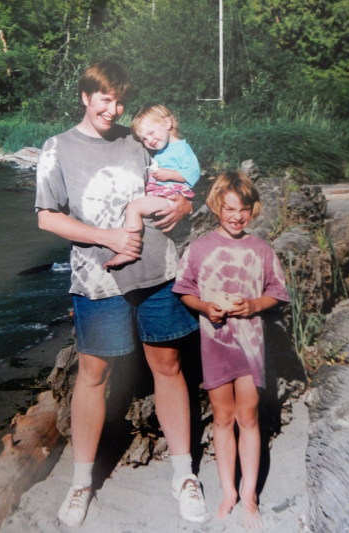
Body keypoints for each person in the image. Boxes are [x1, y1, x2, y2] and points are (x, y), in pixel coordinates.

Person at [35, 60, 209, 527]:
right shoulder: (57, 148)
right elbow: (47, 217)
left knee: (168, 366)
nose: (112, 109)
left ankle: (183, 473)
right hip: (97, 279)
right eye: (104, 99)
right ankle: (80, 483)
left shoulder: (138, 141)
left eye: (119, 100)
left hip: (157, 273)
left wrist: (184, 202)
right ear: (85, 97)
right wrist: (106, 237)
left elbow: (180, 179)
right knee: (92, 373)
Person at [172, 170, 290, 529]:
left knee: (248, 417)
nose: (236, 216)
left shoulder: (261, 249)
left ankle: (250, 495)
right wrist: (206, 307)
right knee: (222, 418)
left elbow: (277, 292)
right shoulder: (200, 247)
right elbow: (184, 289)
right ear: (217, 208)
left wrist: (254, 306)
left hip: (250, 345)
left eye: (243, 209)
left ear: (253, 210)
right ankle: (229, 492)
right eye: (229, 209)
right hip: (216, 343)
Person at [104, 103, 200, 268]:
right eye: (144, 139)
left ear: (167, 123)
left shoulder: (181, 149)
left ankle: (128, 249)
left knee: (133, 208)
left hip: (170, 196)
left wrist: (169, 175)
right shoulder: (162, 151)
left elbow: (194, 173)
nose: (149, 140)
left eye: (151, 133)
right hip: (163, 195)